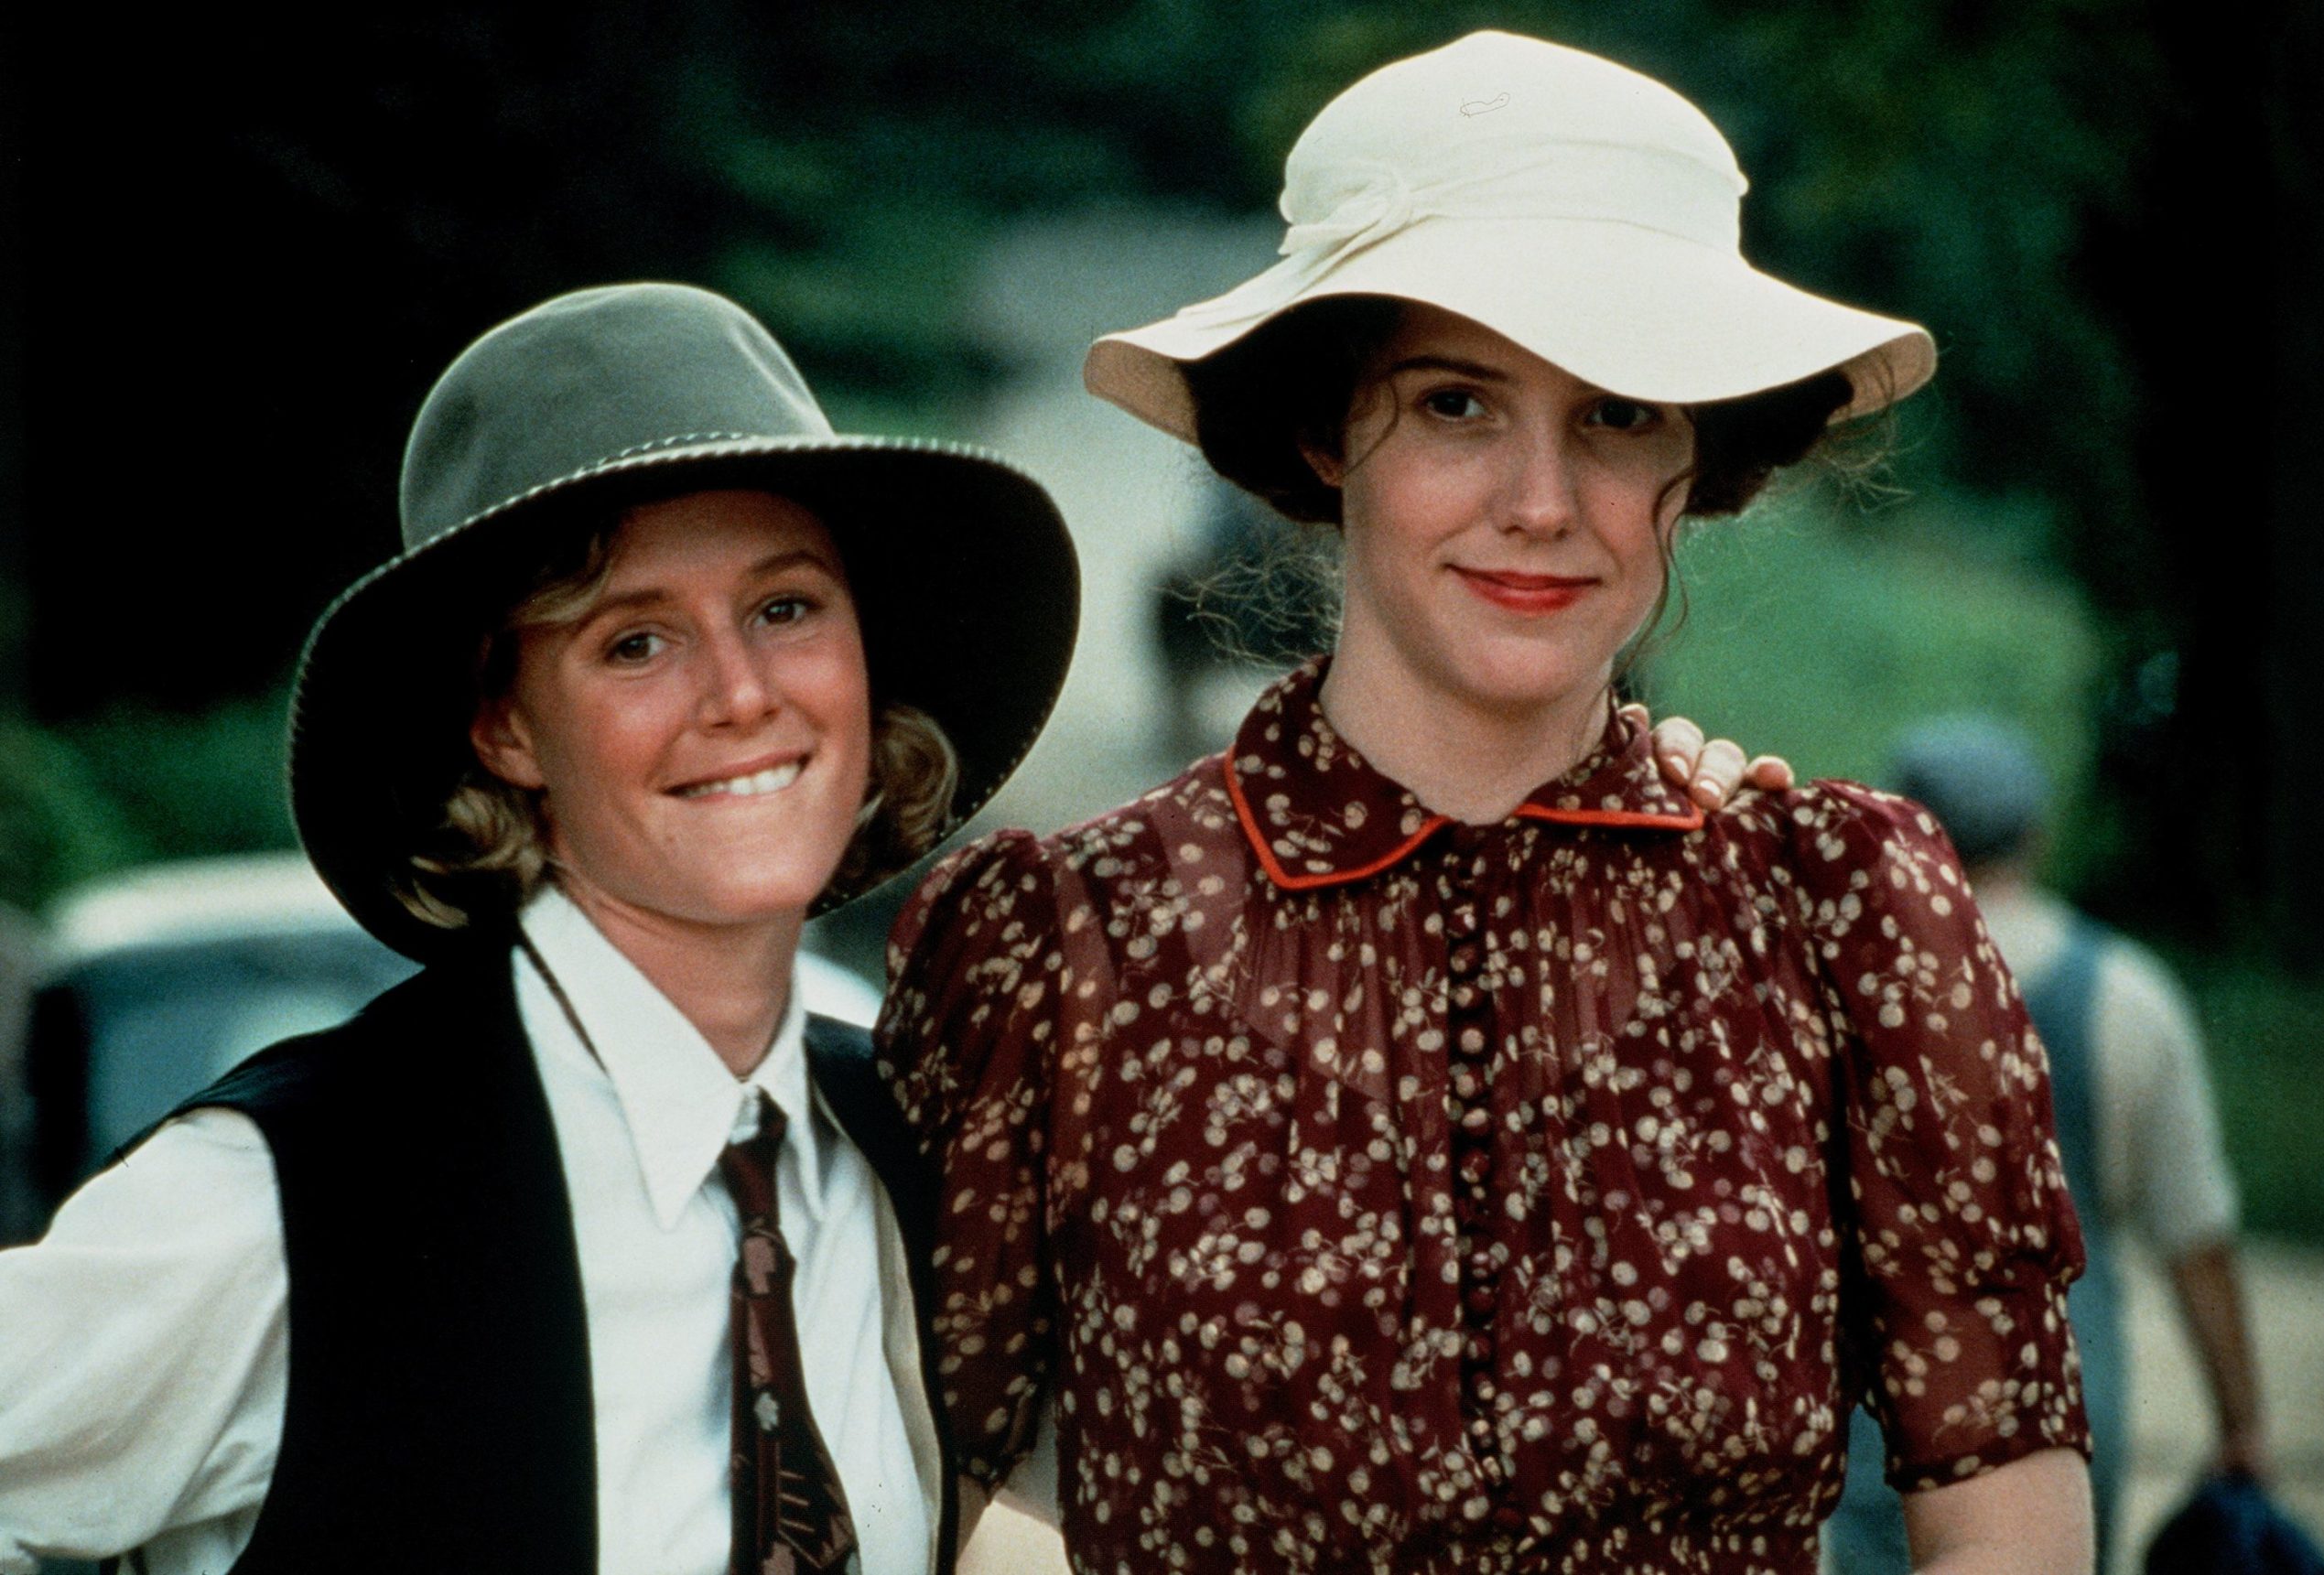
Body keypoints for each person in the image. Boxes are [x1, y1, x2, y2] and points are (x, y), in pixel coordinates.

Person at [879, 31, 2094, 1575]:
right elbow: (914, 1490)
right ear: (1323, 429)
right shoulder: (1066, 945)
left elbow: (2005, 1523)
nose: (1541, 502)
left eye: (1620, 414)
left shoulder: (1841, 913)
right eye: (1457, 404)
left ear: (1700, 451)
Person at [0, 282, 1080, 1575]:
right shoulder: (283, 1202)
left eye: (786, 608)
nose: (740, 693)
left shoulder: (917, 1150)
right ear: (506, 726)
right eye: (636, 642)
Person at [1827, 717, 2266, 1575]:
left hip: (1882, 1418)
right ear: (2036, 831)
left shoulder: (1843, 980)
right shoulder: (2128, 995)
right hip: (2066, 1414)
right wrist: (2240, 1420)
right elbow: (2197, 1238)